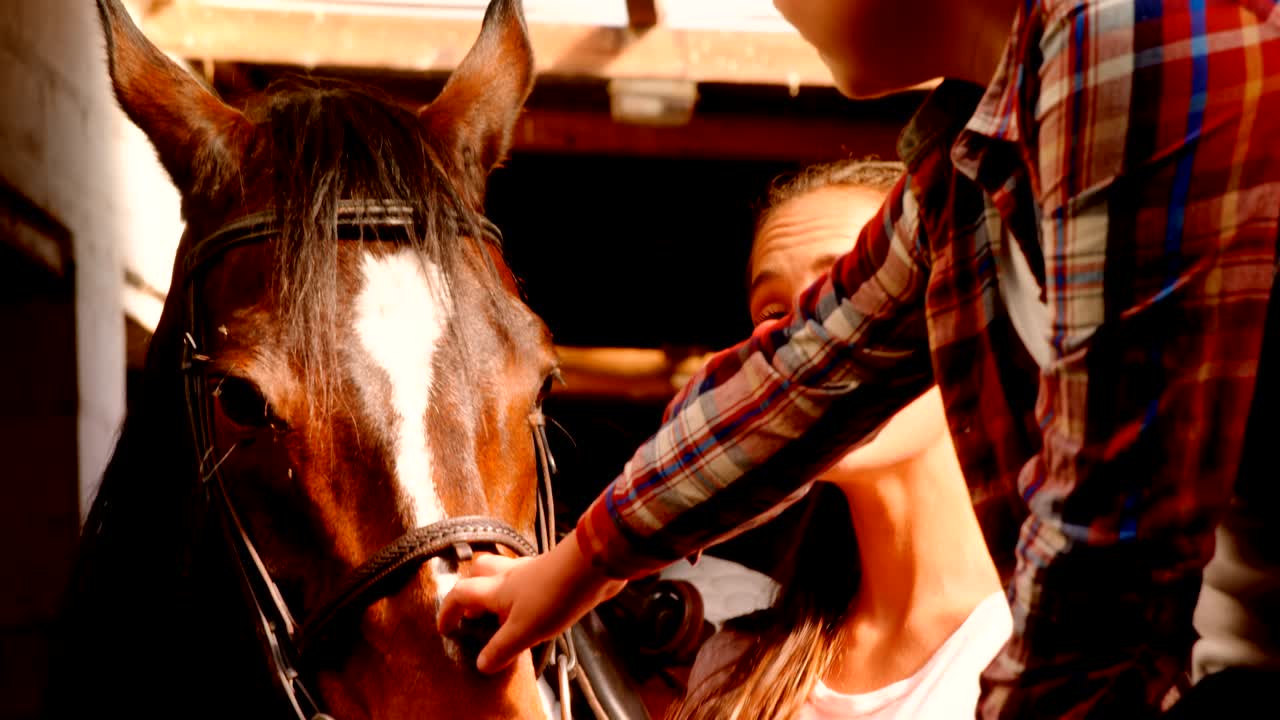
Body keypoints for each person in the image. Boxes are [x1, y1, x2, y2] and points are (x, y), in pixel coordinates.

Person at [440, 1, 1280, 716]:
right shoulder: (971, 149)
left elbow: (1112, 551)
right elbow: (811, 370)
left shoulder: (1138, 30)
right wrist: (577, 567)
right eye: (770, 302)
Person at [671, 158, 1011, 720]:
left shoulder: (1050, 646)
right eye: (773, 311)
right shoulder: (736, 668)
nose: (806, 340)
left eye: (845, 295)